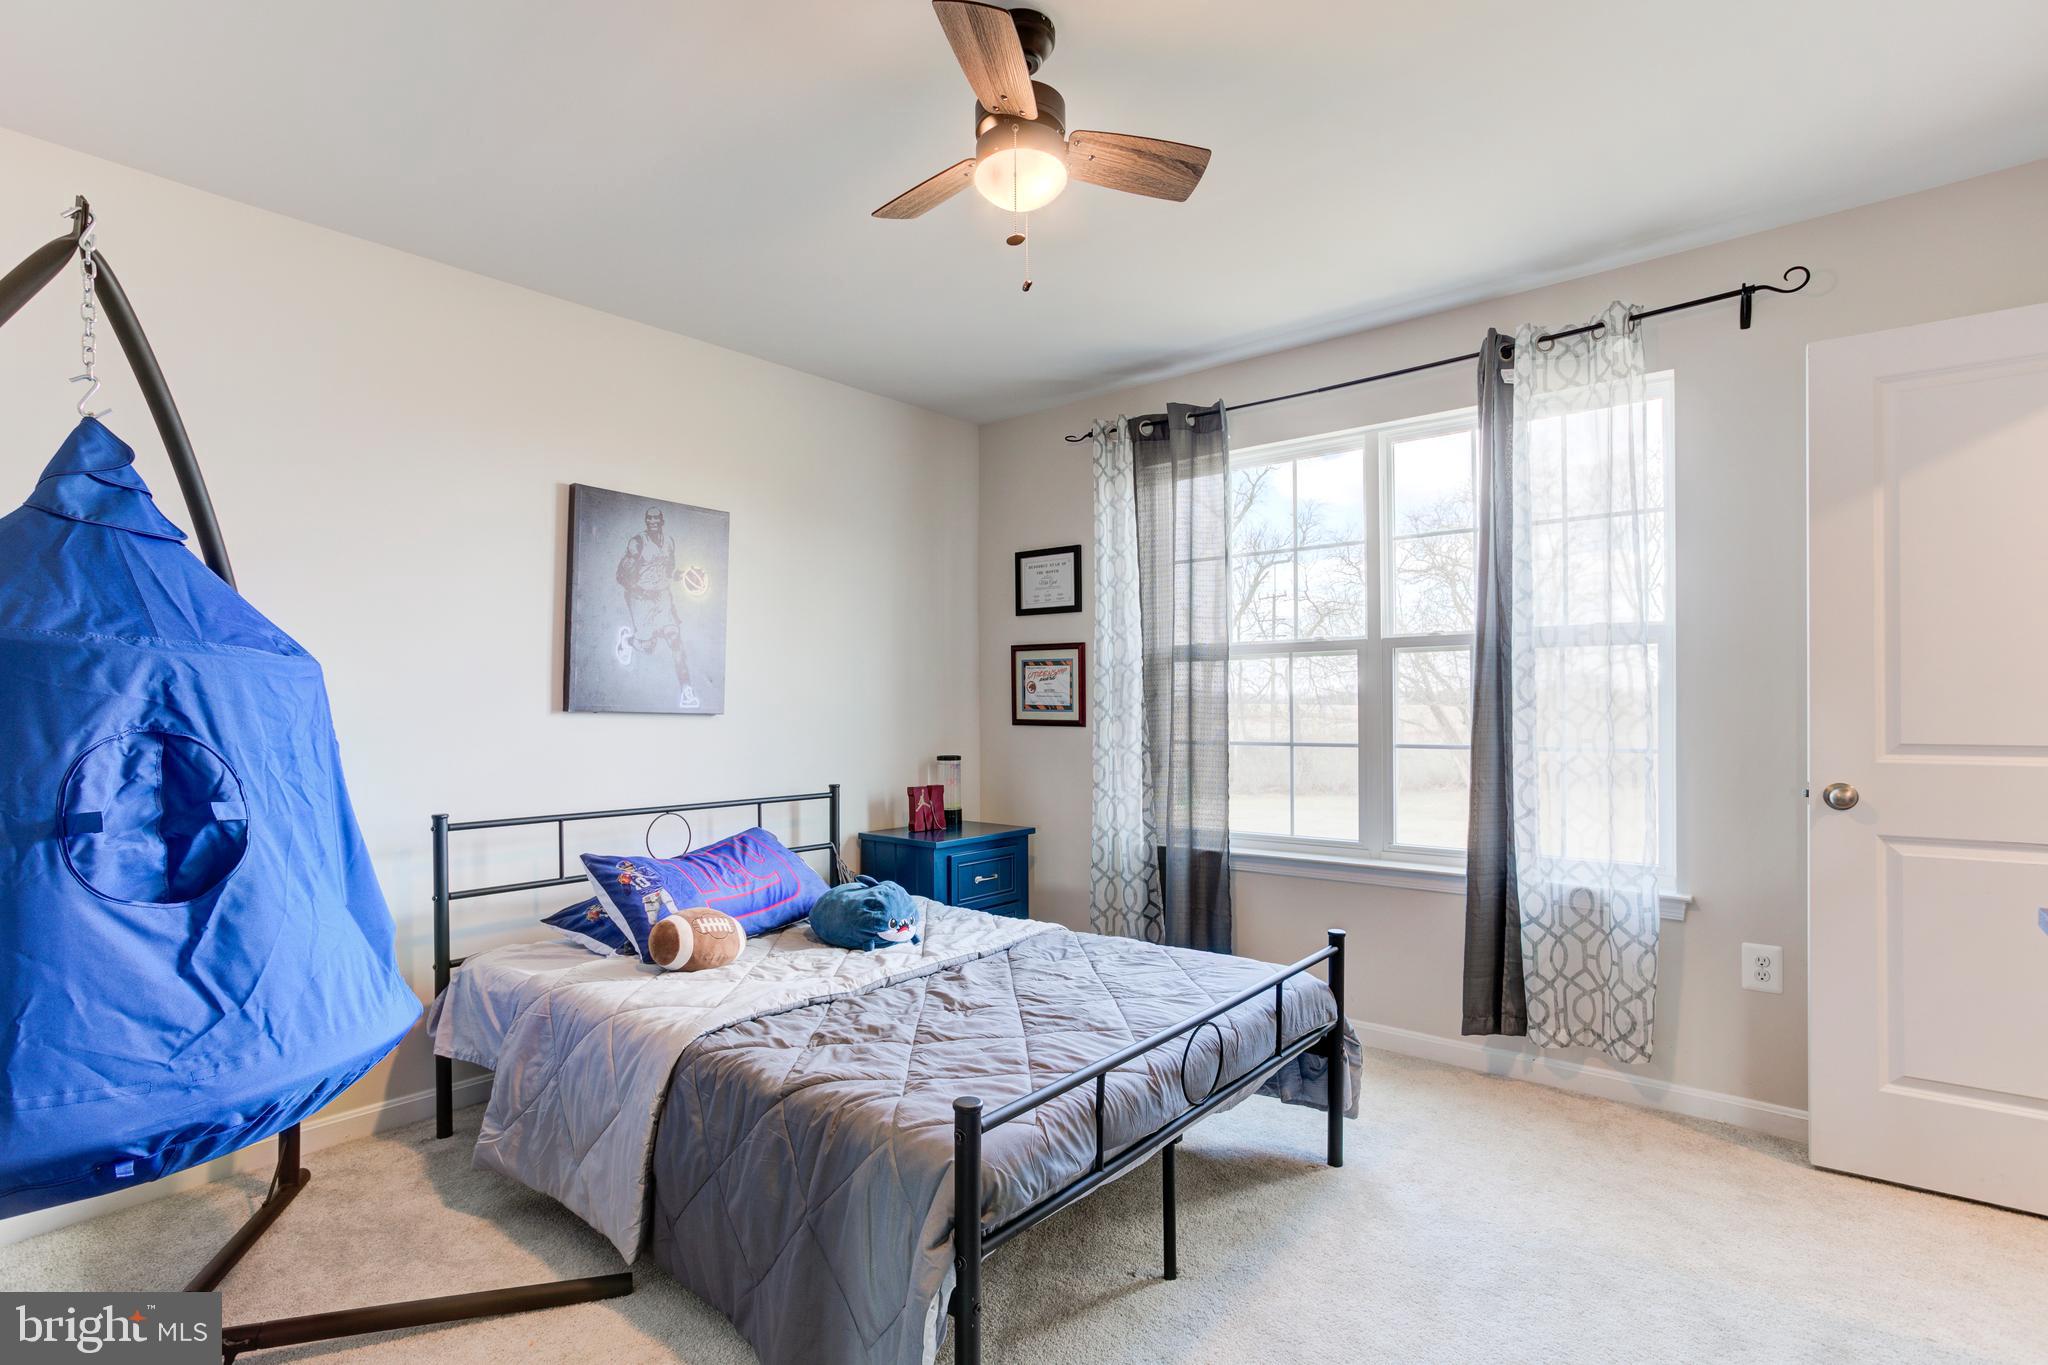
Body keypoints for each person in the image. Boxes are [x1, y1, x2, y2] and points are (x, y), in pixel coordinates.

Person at [613, 506, 700, 710]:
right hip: (641, 599)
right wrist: (641, 591)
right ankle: (627, 641)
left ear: (662, 521)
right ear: (646, 521)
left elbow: (669, 571)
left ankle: (687, 691)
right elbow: (621, 576)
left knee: (675, 641)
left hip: (662, 598)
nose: (653, 522)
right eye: (649, 519)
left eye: (656, 519)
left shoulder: (669, 542)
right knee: (648, 647)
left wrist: (684, 576)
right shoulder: (637, 543)